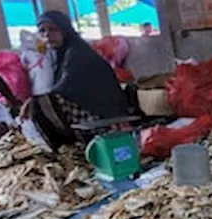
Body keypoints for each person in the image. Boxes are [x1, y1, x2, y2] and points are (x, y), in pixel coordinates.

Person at [24, 11, 132, 147]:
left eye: (53, 29)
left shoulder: (77, 54)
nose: (47, 35)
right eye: (42, 31)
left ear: (65, 29)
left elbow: (64, 88)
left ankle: (65, 147)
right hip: (90, 109)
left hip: (104, 116)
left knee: (41, 105)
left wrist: (35, 101)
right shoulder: (63, 54)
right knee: (40, 103)